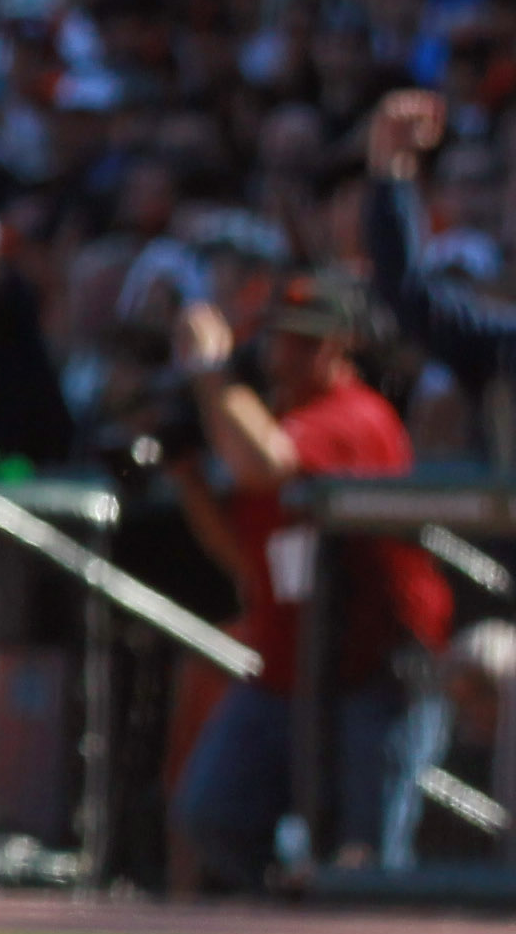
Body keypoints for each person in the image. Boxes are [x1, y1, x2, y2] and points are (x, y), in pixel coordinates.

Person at [162, 269, 452, 894]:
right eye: (279, 337)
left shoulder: (355, 416)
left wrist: (210, 373)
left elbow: (264, 462)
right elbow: (245, 556)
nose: (287, 352)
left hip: (376, 672)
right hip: (289, 668)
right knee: (211, 814)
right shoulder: (271, 414)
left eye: (306, 340)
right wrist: (187, 477)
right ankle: (281, 930)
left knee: (364, 860)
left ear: (340, 346)